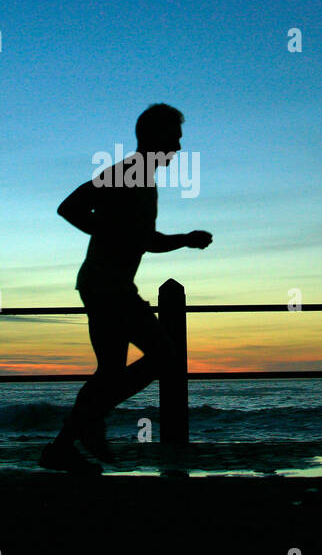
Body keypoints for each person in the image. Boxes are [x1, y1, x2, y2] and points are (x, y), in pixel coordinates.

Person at [41, 104, 212, 475]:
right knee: (164, 356)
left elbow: (142, 238)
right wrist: (111, 235)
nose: (178, 149)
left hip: (106, 283)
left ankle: (62, 447)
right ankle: (88, 423)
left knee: (110, 371)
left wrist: (182, 239)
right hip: (108, 286)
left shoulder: (139, 177)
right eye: (174, 139)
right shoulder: (128, 174)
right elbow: (69, 208)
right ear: (154, 137)